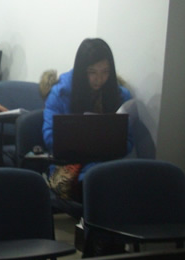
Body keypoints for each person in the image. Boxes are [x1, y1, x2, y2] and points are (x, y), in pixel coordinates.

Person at [41, 38, 132, 201]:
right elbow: (50, 136)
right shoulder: (61, 93)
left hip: (107, 162)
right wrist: (82, 145)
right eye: (92, 72)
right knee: (96, 182)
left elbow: (129, 138)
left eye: (105, 72)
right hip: (70, 164)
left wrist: (111, 146)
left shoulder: (120, 95)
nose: (99, 79)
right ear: (82, 71)